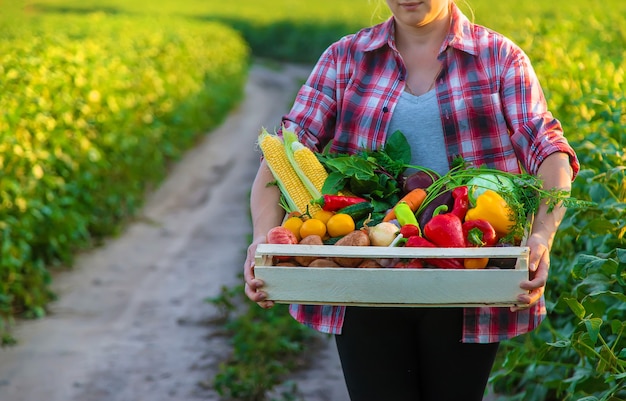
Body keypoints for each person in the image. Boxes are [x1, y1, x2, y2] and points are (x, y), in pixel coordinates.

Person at [244, 1, 579, 400]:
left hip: (466, 277)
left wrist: (542, 234)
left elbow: (550, 151)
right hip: (365, 278)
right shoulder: (345, 58)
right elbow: (283, 152)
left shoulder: (498, 58)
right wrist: (262, 238)